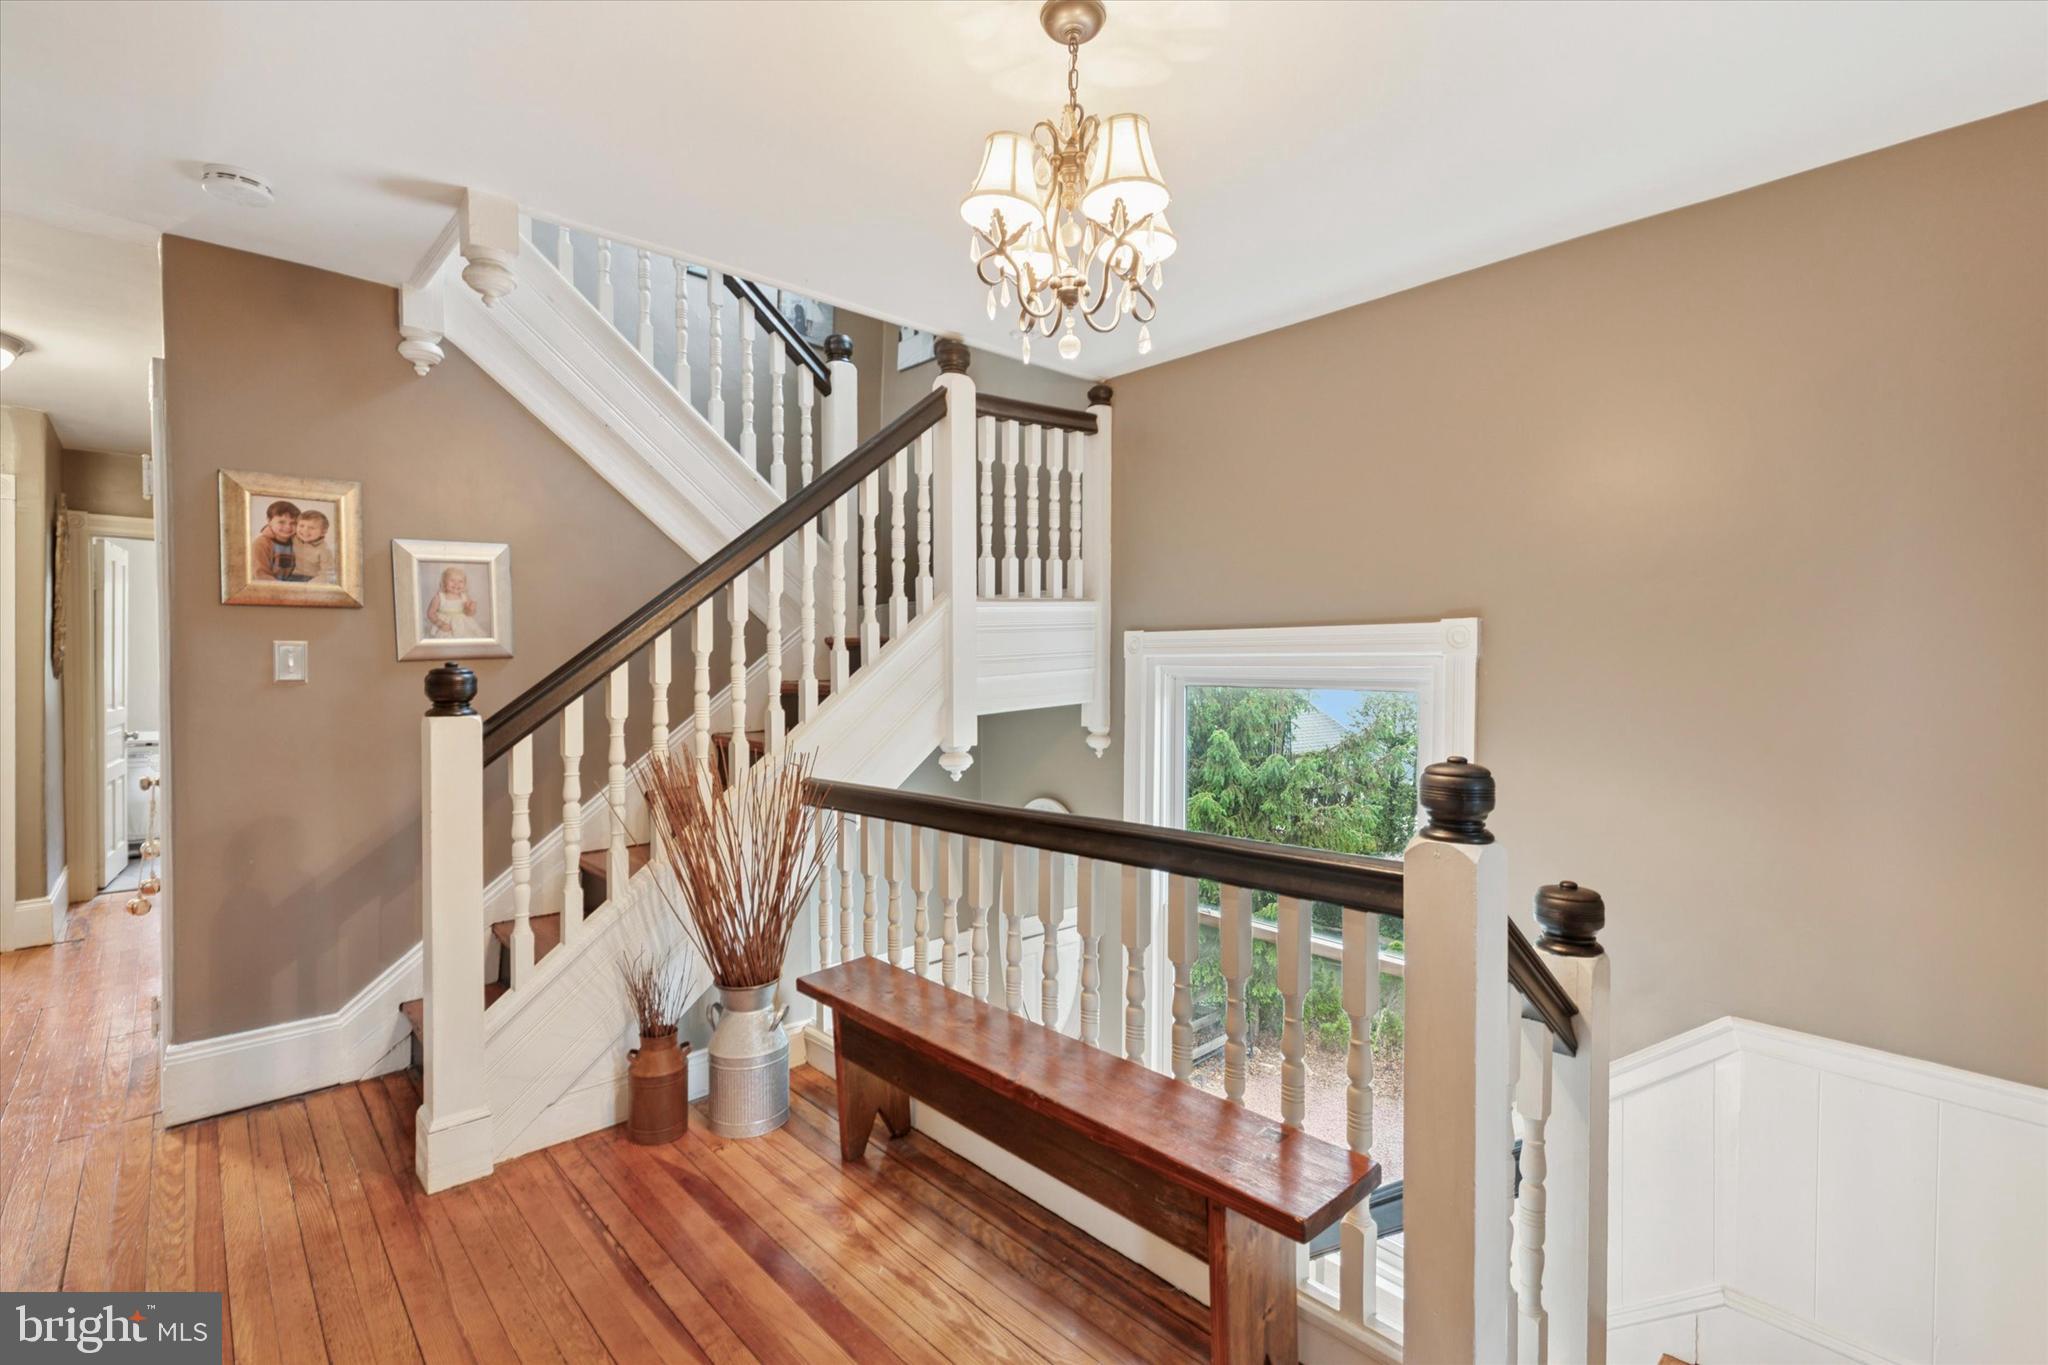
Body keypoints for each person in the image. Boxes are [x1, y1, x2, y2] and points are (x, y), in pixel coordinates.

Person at [424, 566, 488, 639]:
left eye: (460, 581)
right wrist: (440, 624)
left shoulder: (464, 596)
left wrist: (471, 609)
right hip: (446, 625)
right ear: (444, 582)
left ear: (465, 584)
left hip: (463, 625)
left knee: (468, 639)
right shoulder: (439, 597)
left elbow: (468, 614)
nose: (456, 584)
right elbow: (430, 613)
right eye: (452, 580)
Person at [250, 500, 299, 581]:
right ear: (269, 521)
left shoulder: (297, 543)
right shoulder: (261, 543)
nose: (288, 527)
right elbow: (261, 574)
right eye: (281, 522)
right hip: (268, 588)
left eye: (293, 523)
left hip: (289, 585)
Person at [290, 508, 338, 585]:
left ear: (323, 532)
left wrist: (311, 584)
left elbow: (327, 573)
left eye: (311, 528)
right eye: (301, 526)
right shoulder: (293, 538)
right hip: (289, 576)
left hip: (311, 578)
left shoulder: (324, 550)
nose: (305, 530)